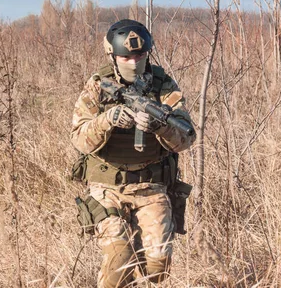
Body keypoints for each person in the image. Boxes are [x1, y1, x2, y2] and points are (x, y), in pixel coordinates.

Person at [70, 19, 196, 287]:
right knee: (119, 256)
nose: (133, 61)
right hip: (107, 188)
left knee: (157, 268)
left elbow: (185, 139)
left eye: (139, 55)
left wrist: (160, 126)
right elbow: (80, 139)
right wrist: (109, 119)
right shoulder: (97, 86)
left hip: (151, 186)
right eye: (125, 56)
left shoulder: (164, 87)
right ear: (112, 56)